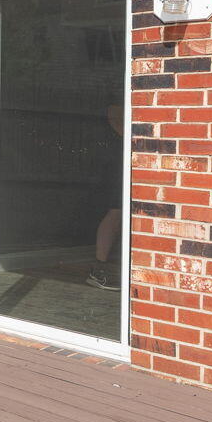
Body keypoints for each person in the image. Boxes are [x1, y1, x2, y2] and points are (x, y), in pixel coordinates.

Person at [87, 101, 123, 290]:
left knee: (116, 215)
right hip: (114, 167)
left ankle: (101, 268)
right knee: (115, 214)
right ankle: (99, 268)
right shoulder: (114, 108)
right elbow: (122, 130)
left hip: (114, 164)